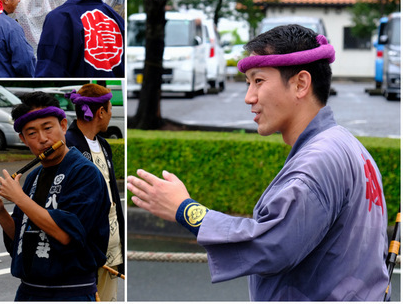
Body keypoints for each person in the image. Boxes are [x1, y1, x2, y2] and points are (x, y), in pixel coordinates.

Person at [127, 24, 389, 300]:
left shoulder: (317, 161)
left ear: (301, 83)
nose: (248, 97)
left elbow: (273, 246)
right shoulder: (350, 146)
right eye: (248, 83)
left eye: (258, 81)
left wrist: (186, 210)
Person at [0, 91, 110, 300]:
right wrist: (0, 212)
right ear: (23, 139)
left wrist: (19, 198)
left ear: (63, 126)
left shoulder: (84, 173)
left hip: (70, 292)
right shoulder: (33, 177)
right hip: (29, 291)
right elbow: (24, 237)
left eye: (48, 128)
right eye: (31, 133)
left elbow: (67, 235)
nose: (43, 139)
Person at [64, 85, 125, 302]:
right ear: (100, 112)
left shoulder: (104, 145)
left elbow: (114, 196)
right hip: (84, 249)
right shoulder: (67, 144)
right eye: (110, 109)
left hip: (111, 245)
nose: (111, 114)